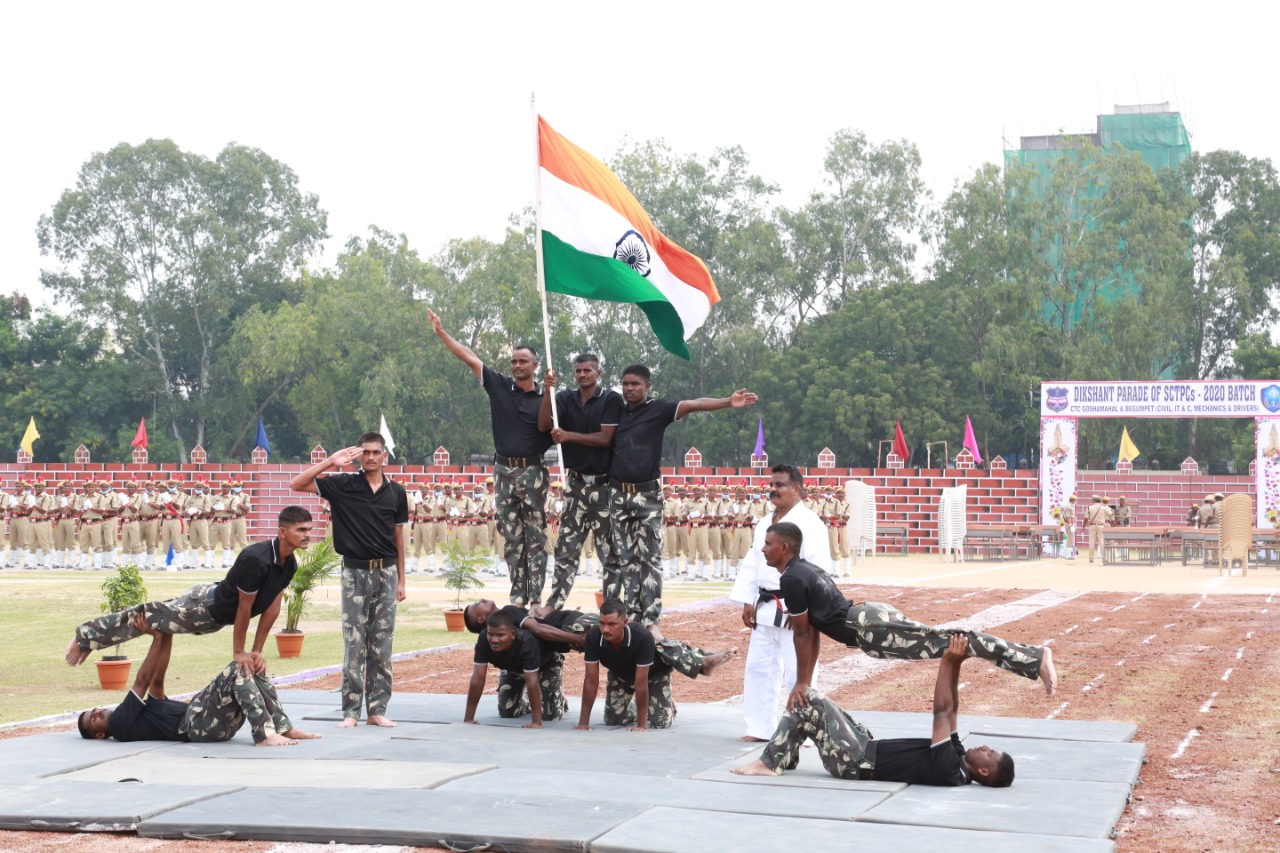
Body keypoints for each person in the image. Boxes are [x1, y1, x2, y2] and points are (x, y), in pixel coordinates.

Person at [760, 522, 1057, 712]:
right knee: (946, 641)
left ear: (784, 548)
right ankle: (1032, 658)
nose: (763, 549)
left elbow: (803, 633)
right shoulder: (803, 569)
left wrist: (801, 682)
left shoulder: (791, 580)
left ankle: (1033, 657)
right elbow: (809, 627)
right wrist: (805, 680)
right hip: (868, 617)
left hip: (868, 628)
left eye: (768, 543)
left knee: (952, 641)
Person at [733, 634, 1014, 787]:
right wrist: (956, 663)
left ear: (984, 771)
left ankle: (770, 763)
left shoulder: (949, 770)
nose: (986, 747)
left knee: (809, 700)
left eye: (990, 754)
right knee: (811, 708)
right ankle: (785, 758)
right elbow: (952, 713)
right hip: (865, 746)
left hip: (854, 762)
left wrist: (945, 662)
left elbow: (940, 713)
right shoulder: (960, 759)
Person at [65, 506, 315, 670]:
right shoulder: (256, 559)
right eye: (301, 530)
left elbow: (272, 607)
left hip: (213, 607)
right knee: (149, 615)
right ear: (283, 531)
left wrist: (257, 651)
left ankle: (88, 638)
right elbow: (243, 608)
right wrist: (240, 652)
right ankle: (85, 637)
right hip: (203, 608)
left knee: (155, 618)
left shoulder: (289, 562)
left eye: (309, 530)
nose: (307, 535)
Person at [610, 364, 757, 630]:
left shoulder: (658, 409)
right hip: (618, 494)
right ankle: (632, 616)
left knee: (650, 559)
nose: (629, 388)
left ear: (647, 387)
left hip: (647, 495)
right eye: (625, 384)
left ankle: (651, 618)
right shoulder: (614, 412)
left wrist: (727, 401)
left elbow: (694, 404)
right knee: (626, 560)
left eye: (635, 384)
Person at [428, 308, 552, 606]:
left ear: (535, 365)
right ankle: (518, 597)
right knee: (511, 538)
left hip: (533, 471)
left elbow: (550, 428)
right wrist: (442, 333)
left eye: (523, 361)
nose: (517, 365)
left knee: (535, 538)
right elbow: (468, 356)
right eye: (513, 361)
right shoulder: (499, 386)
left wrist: (550, 391)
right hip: (503, 470)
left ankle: (535, 600)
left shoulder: (550, 397)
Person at [290, 434, 407, 728]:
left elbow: (398, 538)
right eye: (365, 452)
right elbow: (297, 484)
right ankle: (351, 711)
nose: (370, 457)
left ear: (385, 456)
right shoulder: (343, 485)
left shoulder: (397, 492)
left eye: (376, 452)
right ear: (358, 456)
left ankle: (377, 709)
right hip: (355, 573)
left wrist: (402, 580)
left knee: (382, 645)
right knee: (354, 643)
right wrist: (331, 461)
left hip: (387, 572)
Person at [78, 613, 319, 747]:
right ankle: (264, 735)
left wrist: (165, 632)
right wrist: (154, 637)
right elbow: (141, 680)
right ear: (100, 734)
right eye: (94, 719)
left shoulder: (142, 714)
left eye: (95, 710)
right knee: (239, 666)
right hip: (197, 725)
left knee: (251, 668)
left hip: (212, 723)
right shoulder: (120, 724)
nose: (98, 713)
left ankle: (283, 728)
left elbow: (156, 681)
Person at [730, 465, 832, 742]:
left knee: (799, 670)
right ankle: (759, 729)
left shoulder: (811, 523)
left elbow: (819, 569)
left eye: (780, 485)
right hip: (765, 604)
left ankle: (804, 730)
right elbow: (753, 561)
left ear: (796, 489)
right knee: (759, 668)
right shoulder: (765, 522)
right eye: (771, 484)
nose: (773, 490)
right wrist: (747, 600)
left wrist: (805, 607)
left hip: (796, 605)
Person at [539, 354, 624, 610]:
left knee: (609, 552)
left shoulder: (610, 399)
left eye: (588, 370)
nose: (582, 374)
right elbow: (544, 425)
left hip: (604, 486)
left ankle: (610, 608)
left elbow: (605, 438)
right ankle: (554, 604)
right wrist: (547, 392)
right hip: (575, 486)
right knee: (566, 548)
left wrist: (567, 436)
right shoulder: (564, 398)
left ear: (599, 373)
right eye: (578, 371)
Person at [575, 598, 733, 731]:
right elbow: (591, 680)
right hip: (621, 674)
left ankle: (666, 704)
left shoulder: (641, 636)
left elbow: (641, 683)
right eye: (602, 623)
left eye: (611, 624)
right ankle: (640, 706)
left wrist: (641, 725)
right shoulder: (595, 636)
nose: (605, 629)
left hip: (653, 675)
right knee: (614, 720)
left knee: (660, 723)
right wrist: (583, 723)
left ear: (625, 622)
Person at [462, 607, 594, 726]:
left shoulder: (526, 641)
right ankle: (529, 700)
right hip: (513, 668)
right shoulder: (484, 639)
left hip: (544, 664)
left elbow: (532, 682)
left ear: (513, 634)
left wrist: (536, 722)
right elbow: (478, 679)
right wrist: (468, 719)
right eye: (491, 634)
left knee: (549, 716)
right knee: (507, 712)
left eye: (501, 635)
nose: (494, 640)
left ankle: (555, 697)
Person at [1085, 495, 1110, 563]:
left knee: (1091, 542)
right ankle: (1103, 557)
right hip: (1101, 525)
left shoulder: (1089, 507)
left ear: (1094, 500)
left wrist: (1083, 526)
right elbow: (1111, 513)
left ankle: (1091, 558)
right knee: (1101, 542)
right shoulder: (1103, 508)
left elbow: (1086, 518)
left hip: (1092, 525)